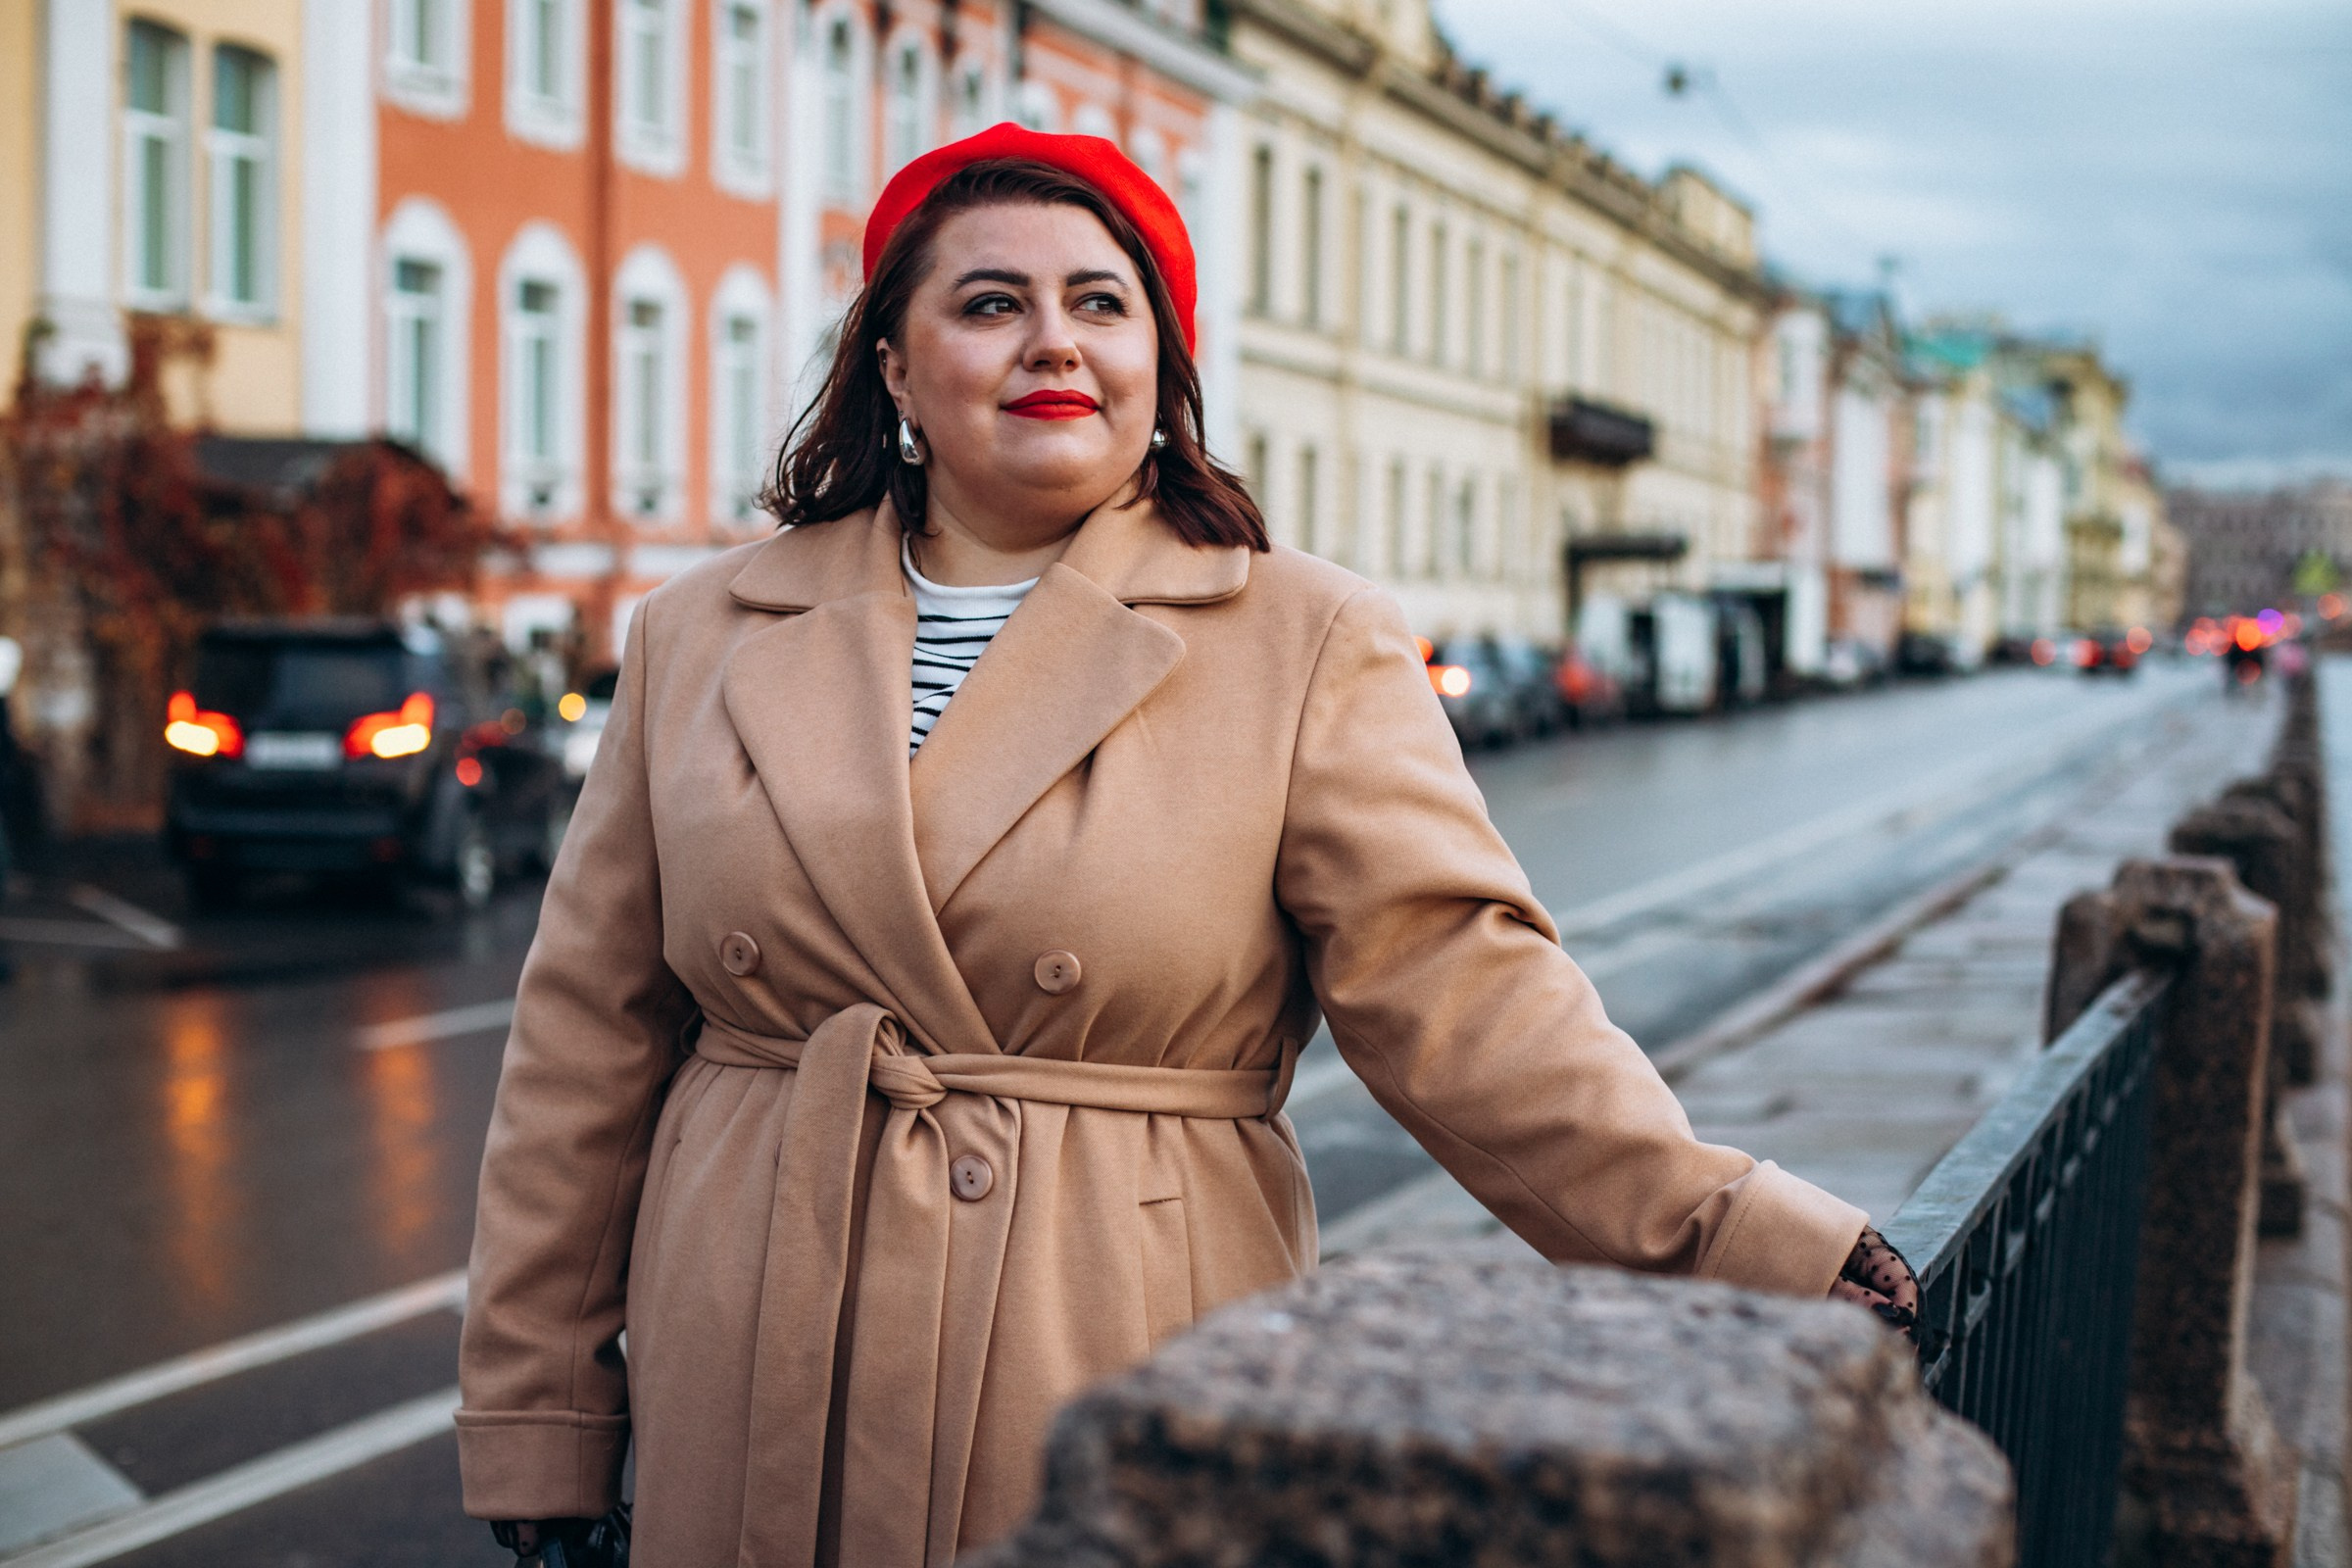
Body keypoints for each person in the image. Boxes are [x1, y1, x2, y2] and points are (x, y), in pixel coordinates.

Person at [458, 124, 1918, 1568]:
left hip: (1114, 1328)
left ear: (1161, 364)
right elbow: (586, 1046)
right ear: (892, 367)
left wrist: (1732, 1234)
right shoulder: (702, 634)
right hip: (754, 1346)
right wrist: (542, 1412)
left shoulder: (1298, 635)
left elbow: (1467, 1001)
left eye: (1103, 303)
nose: (1055, 343)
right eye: (989, 303)